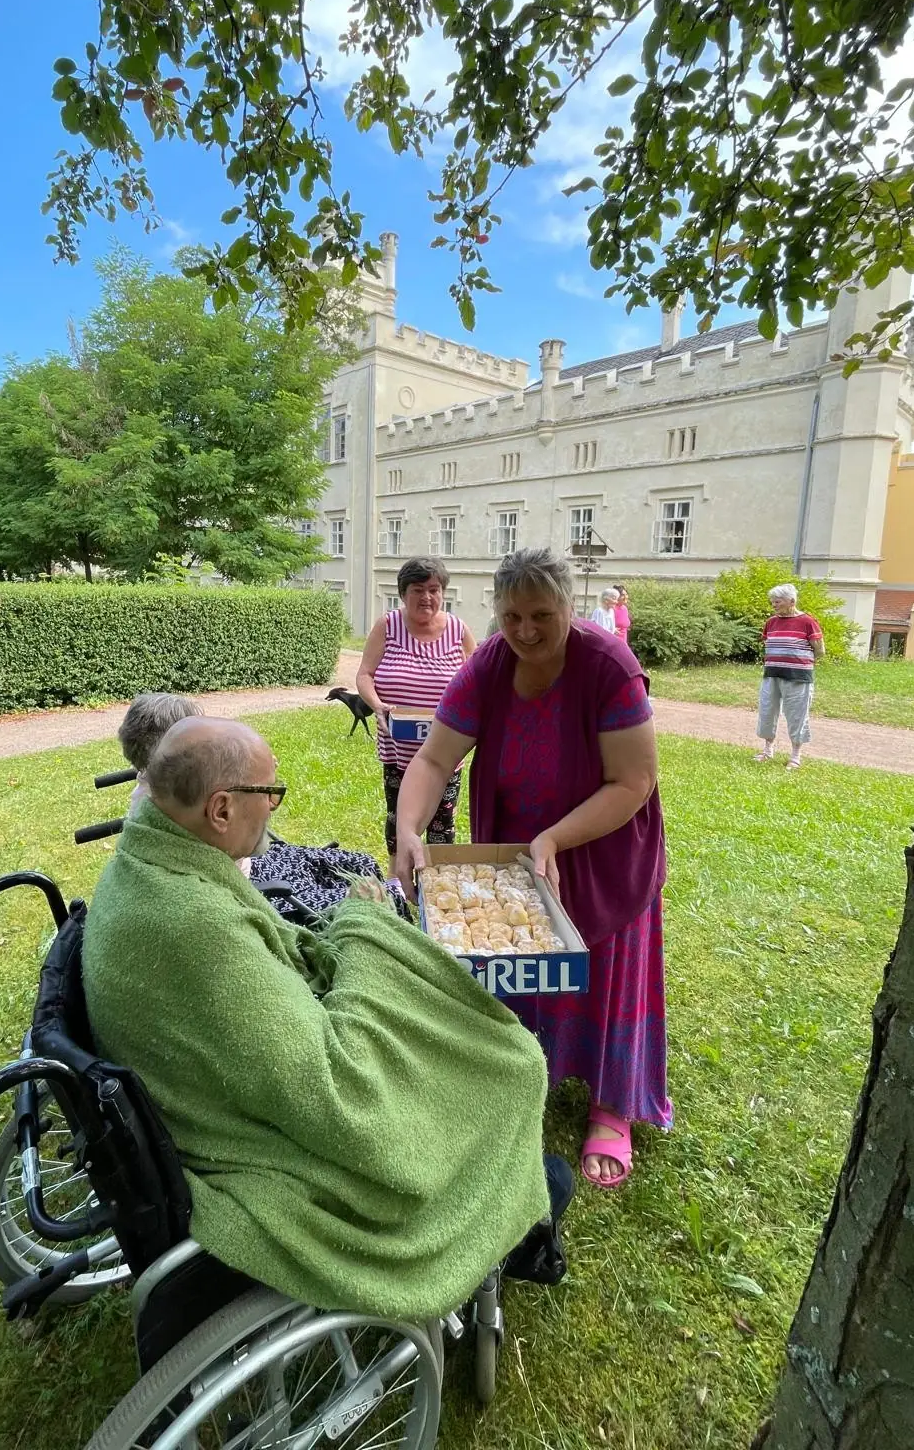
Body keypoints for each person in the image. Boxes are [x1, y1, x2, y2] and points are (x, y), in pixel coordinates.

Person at [82, 715, 572, 1318]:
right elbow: (341, 1092)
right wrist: (364, 929)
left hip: (204, 1095)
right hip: (253, 1149)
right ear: (221, 809)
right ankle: (503, 1216)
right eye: (271, 792)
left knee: (471, 1055)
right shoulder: (198, 928)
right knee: (512, 1064)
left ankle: (512, 1186)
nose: (275, 806)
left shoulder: (148, 864)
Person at [394, 548, 669, 1189]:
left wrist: (555, 836)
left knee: (604, 967)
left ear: (570, 608)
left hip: (603, 846)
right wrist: (408, 830)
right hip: (514, 851)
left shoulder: (609, 667)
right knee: (522, 964)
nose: (525, 630)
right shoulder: (490, 663)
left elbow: (633, 781)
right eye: (512, 615)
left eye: (542, 615)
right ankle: (523, 1071)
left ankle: (611, 1103)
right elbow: (434, 760)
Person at [116, 689, 412, 918]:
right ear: (174, 751)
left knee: (361, 863)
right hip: (253, 884)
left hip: (254, 861)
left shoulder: (166, 788)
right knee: (380, 899)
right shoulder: (180, 805)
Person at [356, 558, 477, 876]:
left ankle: (436, 882)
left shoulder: (458, 630)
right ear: (402, 593)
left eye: (434, 590)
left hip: (446, 751)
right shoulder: (387, 626)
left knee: (442, 824)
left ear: (443, 592)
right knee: (398, 819)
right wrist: (378, 705)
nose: (427, 597)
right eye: (418, 590)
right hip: (398, 749)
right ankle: (398, 881)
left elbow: (478, 682)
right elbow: (365, 675)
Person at [755, 583, 824, 769]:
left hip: (798, 676)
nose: (774, 605)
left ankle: (795, 755)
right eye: (772, 602)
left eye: (778, 601)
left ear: (791, 601)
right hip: (772, 674)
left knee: (797, 714)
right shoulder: (771, 622)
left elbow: (819, 650)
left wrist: (801, 663)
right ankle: (767, 750)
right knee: (767, 711)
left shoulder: (808, 622)